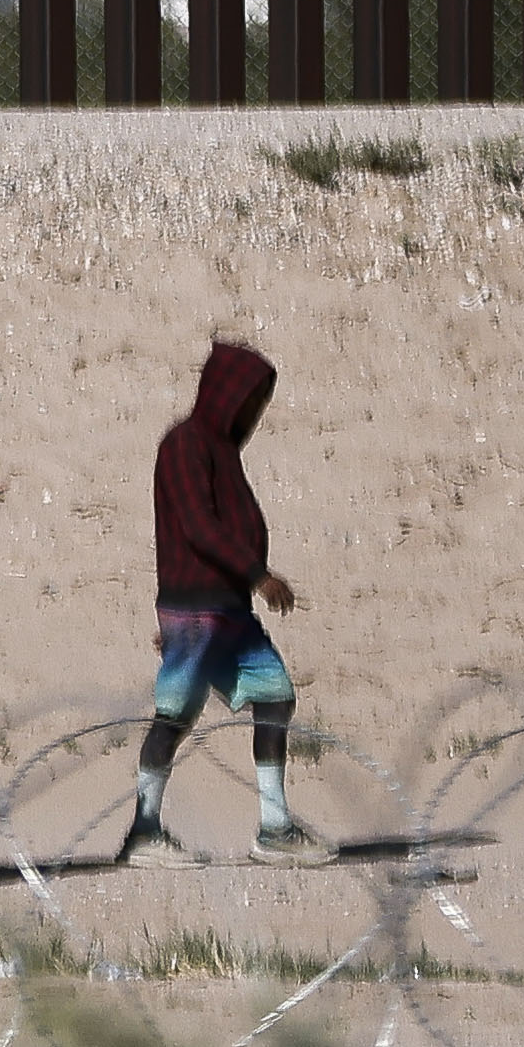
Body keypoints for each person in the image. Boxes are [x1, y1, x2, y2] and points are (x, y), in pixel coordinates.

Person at [124, 337, 301, 861]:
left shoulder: (223, 452)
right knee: (174, 716)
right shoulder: (185, 445)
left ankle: (275, 828)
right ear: (228, 396)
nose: (255, 415)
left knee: (275, 699)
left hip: (227, 612)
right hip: (199, 609)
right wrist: (258, 575)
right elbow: (200, 527)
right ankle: (144, 832)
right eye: (252, 403)